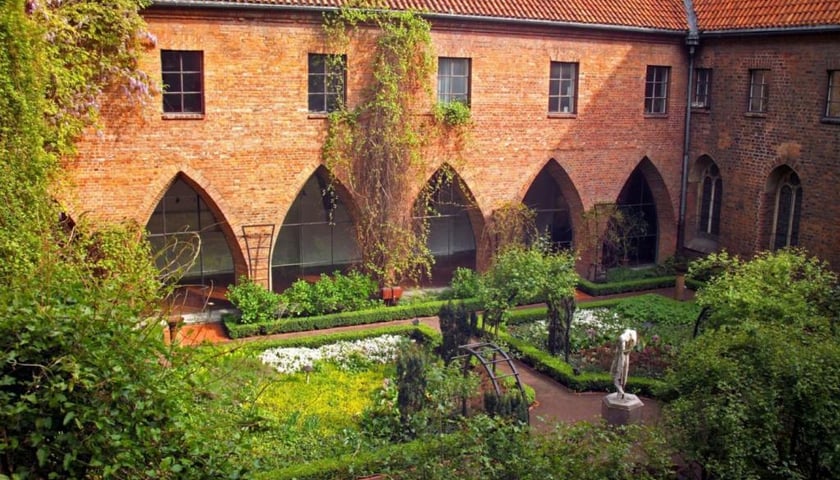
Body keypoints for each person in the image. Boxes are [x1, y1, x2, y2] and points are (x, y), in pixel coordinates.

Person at [610, 329, 638, 399]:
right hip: (621, 356)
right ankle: (620, 390)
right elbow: (622, 350)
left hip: (622, 357)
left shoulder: (628, 338)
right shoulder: (623, 338)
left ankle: (620, 391)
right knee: (618, 373)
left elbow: (625, 350)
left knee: (619, 373)